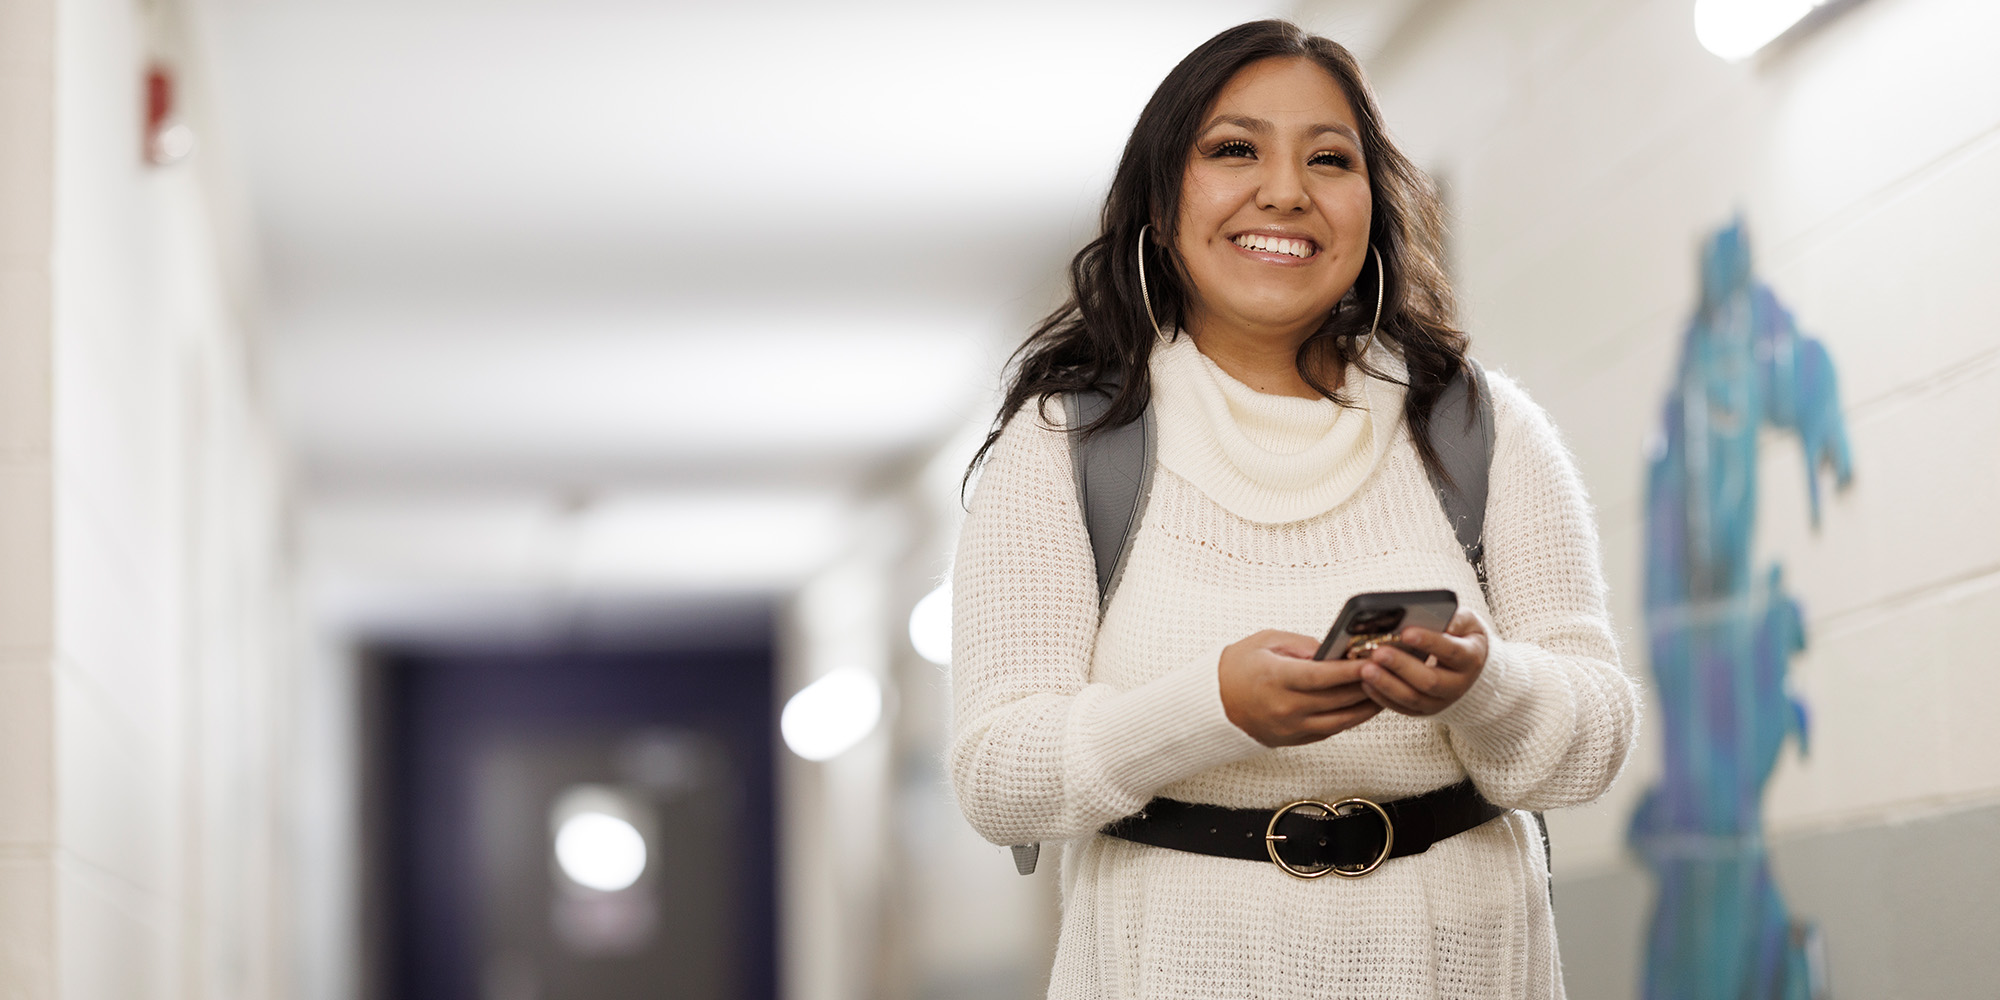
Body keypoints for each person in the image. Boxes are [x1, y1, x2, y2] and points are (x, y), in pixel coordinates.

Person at [948, 19, 1639, 999]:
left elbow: (1593, 740)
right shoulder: (1065, 444)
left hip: (1460, 963)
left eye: (1328, 158)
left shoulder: (1482, 428)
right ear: (1158, 204)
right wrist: (1214, 708)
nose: (1284, 191)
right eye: (1234, 150)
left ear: (1372, 204)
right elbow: (998, 777)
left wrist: (1484, 686)